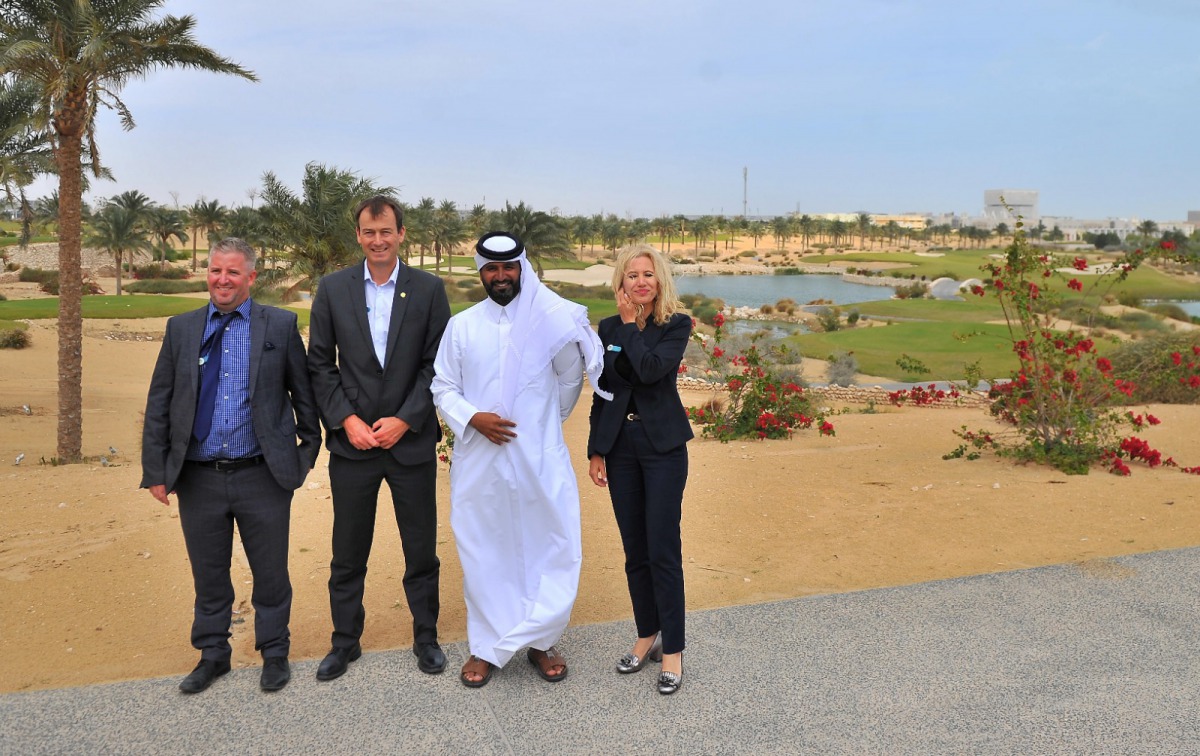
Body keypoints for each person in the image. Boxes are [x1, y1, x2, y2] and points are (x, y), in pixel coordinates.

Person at [141, 237, 322, 694]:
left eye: (233, 273)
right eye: (216, 271)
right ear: (209, 273)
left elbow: (305, 401)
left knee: (271, 572)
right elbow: (160, 401)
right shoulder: (181, 328)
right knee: (209, 573)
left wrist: (300, 461)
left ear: (251, 278)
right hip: (199, 476)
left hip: (262, 474)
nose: (223, 280)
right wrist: (157, 470)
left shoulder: (279, 326)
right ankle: (213, 654)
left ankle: (275, 651)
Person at [431, 231, 608, 688]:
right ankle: (486, 648)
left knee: (549, 543)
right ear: (481, 271)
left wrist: (538, 426)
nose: (501, 275)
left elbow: (570, 383)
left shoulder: (551, 321)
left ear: (522, 268)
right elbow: (443, 386)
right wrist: (475, 419)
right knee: (483, 548)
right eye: (492, 268)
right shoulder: (463, 325)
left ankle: (541, 641)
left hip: (538, 457)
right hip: (479, 459)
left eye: (509, 267)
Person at [307, 195, 452, 680]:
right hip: (353, 446)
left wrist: (407, 419)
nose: (378, 240)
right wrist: (346, 421)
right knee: (347, 550)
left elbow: (437, 364)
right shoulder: (333, 289)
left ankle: (426, 638)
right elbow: (319, 365)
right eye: (369, 233)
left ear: (401, 234)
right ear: (359, 236)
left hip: (408, 444)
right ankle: (344, 642)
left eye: (386, 231)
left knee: (420, 550)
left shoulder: (429, 291)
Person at [587, 246, 693, 695]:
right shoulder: (606, 327)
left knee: (662, 550)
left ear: (660, 280)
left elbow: (650, 372)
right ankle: (646, 633)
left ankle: (673, 651)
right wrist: (597, 449)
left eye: (649, 274)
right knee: (635, 550)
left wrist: (631, 325)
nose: (641, 282)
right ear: (621, 283)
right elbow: (603, 390)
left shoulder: (676, 324)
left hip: (663, 448)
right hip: (621, 449)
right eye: (632, 275)